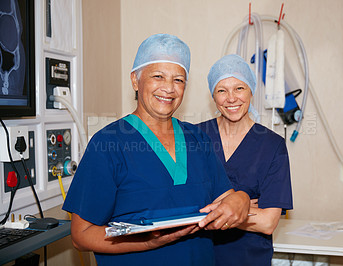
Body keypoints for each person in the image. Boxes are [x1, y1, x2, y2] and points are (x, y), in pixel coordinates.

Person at [62, 34, 250, 266]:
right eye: (158, 76)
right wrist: (148, 243)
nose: (169, 88)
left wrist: (240, 199)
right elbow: (81, 235)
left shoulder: (198, 139)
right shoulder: (107, 144)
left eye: (178, 80)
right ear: (135, 80)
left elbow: (224, 199)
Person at [197, 54, 293, 266]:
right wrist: (241, 207)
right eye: (222, 90)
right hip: (199, 256)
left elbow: (268, 222)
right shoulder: (194, 137)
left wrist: (209, 207)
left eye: (239, 88)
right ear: (213, 96)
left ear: (251, 91)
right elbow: (176, 202)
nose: (231, 98)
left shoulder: (273, 146)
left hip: (248, 258)